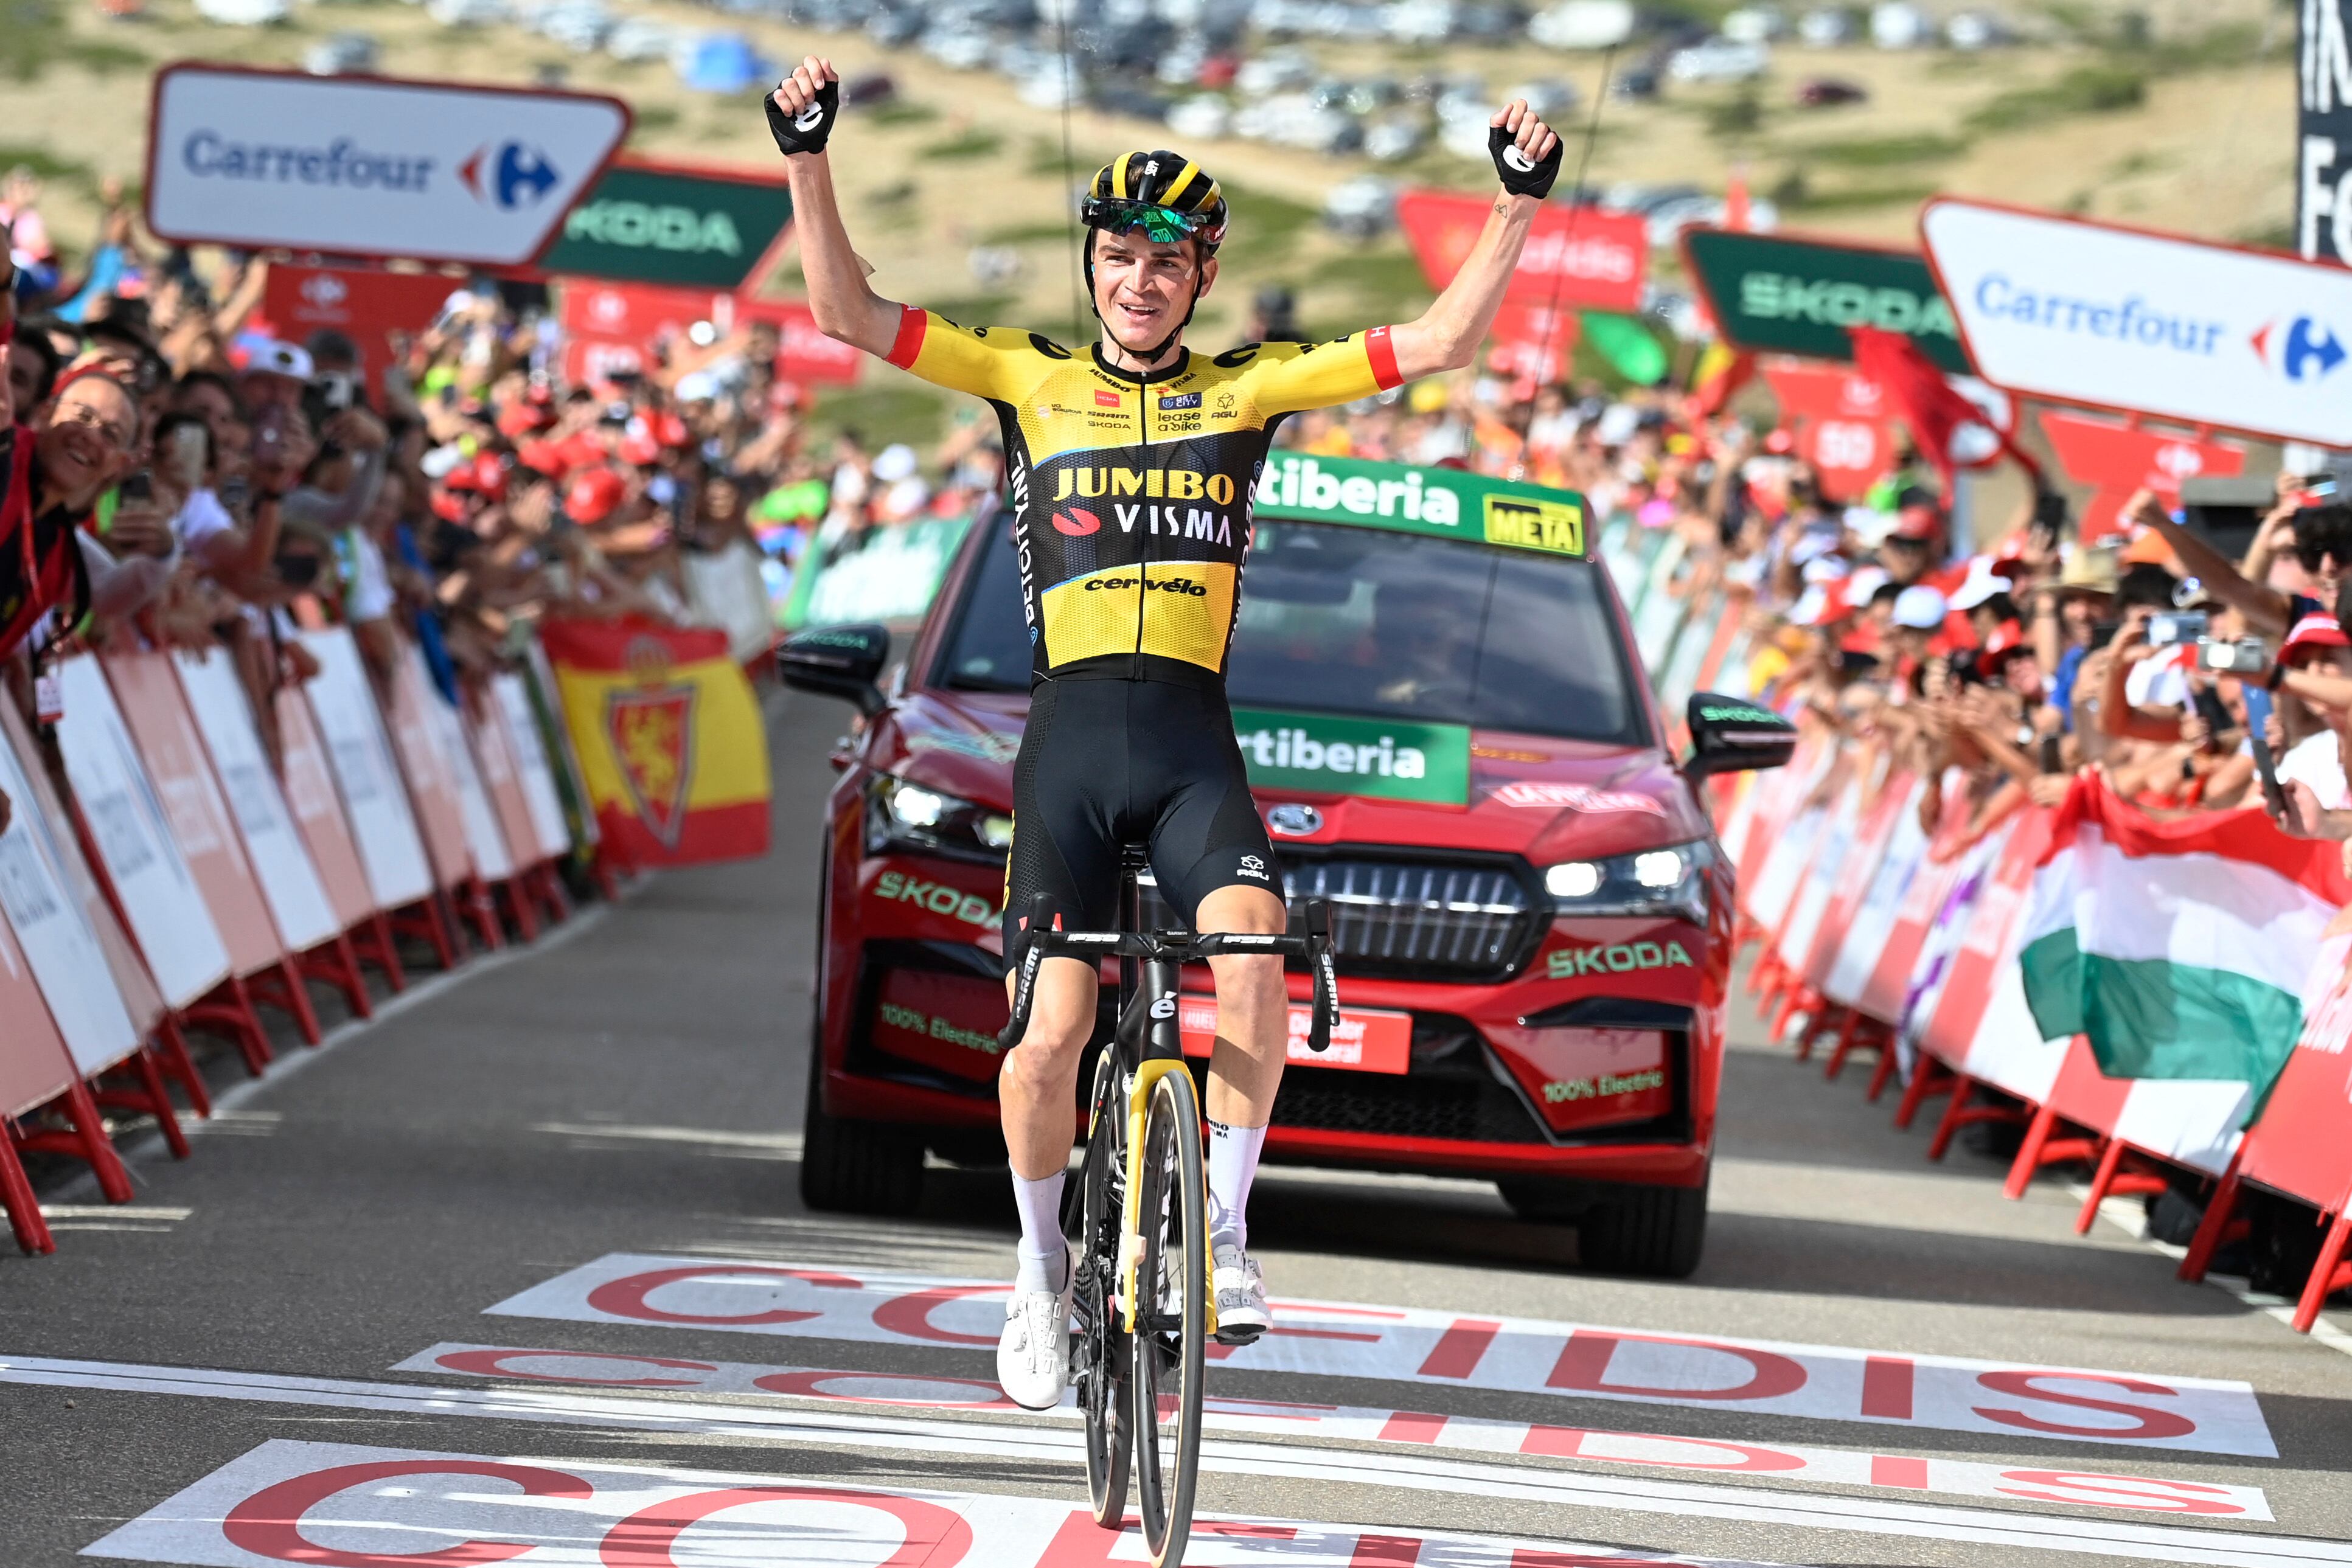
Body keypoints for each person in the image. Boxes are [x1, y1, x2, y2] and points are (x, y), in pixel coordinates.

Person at [767, 52, 1564, 1409]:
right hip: (1071, 743)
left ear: (1202, 278)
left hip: (1193, 742)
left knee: (1251, 958)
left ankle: (1229, 1233)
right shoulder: (1022, 377)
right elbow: (843, 307)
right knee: (1046, 1039)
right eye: (1120, 254)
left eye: (1169, 259)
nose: (1140, 278)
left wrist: (1513, 203)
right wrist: (807, 152)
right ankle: (1033, 1271)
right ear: (1092, 265)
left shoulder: (1247, 390)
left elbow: (1436, 346)